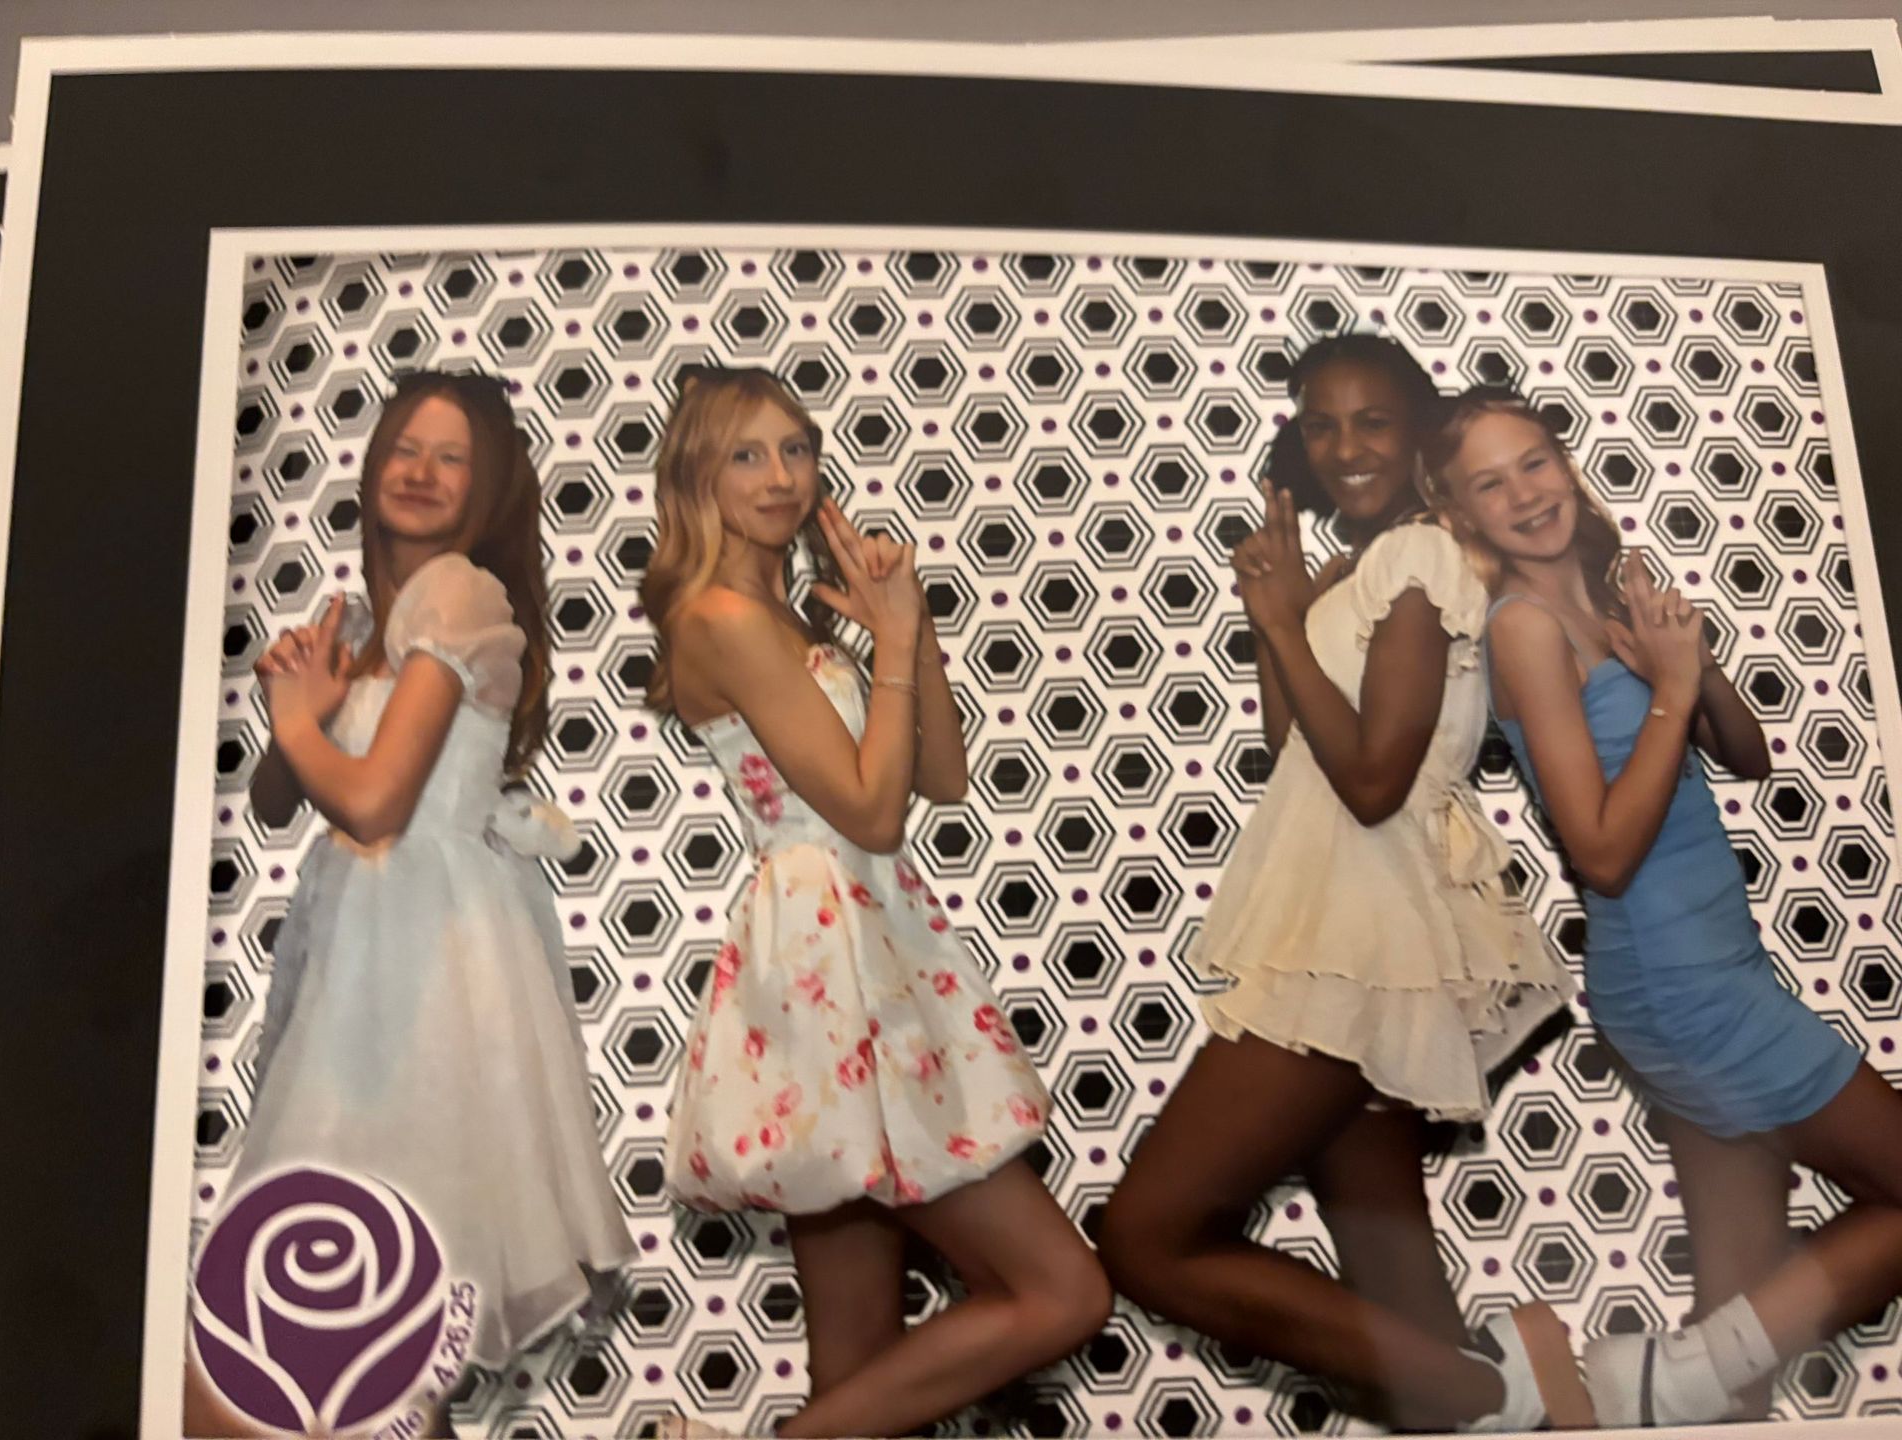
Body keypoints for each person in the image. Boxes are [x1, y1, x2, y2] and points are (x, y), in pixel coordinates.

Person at [1097, 336, 1581, 1432]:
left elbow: (1372, 779)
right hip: (1339, 916)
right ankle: (1478, 1397)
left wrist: (1279, 621)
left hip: (1366, 930)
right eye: (1322, 424)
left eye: (1373, 421)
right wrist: (1289, 615)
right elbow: (1294, 751)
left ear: (1421, 438)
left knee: (1148, 1237)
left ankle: (1499, 1385)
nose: (1345, 445)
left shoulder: (1419, 558)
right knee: (1398, 1293)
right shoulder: (1363, 569)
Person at [642, 366, 1109, 1439]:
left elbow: (937, 776)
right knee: (1063, 1292)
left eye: (795, 449)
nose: (779, 477)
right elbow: (868, 810)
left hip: (872, 939)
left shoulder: (787, 612)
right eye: (746, 454)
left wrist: (914, 626)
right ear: (697, 475)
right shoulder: (717, 615)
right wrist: (888, 647)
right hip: (829, 955)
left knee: (858, 1374)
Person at [1429, 386, 1902, 1426]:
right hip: (1677, 981)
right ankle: (1661, 1377)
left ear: (1565, 463)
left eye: (1535, 462)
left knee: (1740, 1351)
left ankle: (1688, 1384)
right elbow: (1599, 850)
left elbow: (1747, 755)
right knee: (1736, 1336)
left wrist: (1687, 664)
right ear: (1461, 516)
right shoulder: (1519, 630)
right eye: (1490, 484)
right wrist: (1673, 694)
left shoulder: (1614, 586)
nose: (1525, 493)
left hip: (1710, 969)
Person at [187, 370, 634, 1437]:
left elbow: (380, 806)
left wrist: (304, 724)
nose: (423, 472)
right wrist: (306, 707)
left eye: (453, 458)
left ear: (488, 494)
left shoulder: (456, 592)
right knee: (357, 1364)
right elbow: (279, 796)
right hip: (370, 975)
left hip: (414, 982)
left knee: (288, 1360)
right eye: (406, 448)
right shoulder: (386, 622)